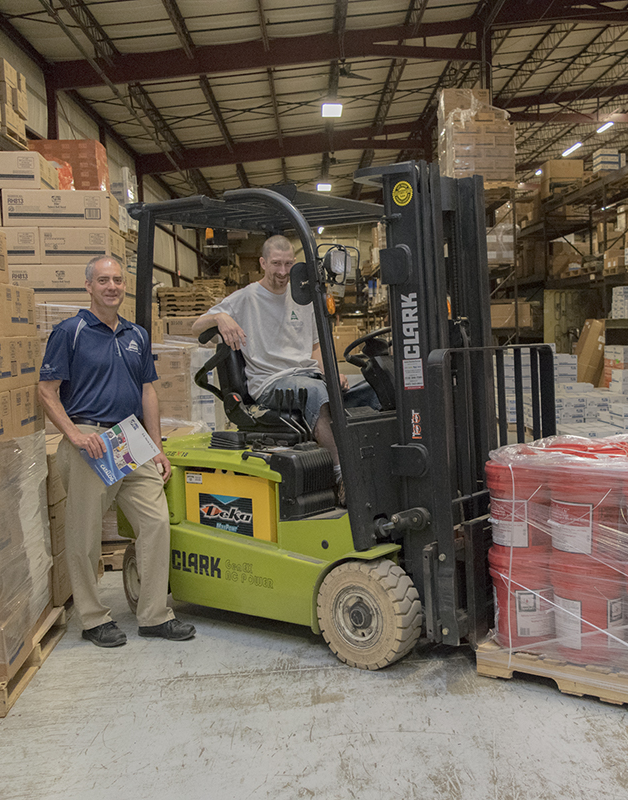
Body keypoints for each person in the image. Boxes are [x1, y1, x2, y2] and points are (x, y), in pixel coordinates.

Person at [39, 255, 196, 648]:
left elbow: (148, 392)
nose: (112, 287)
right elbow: (46, 390)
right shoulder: (70, 332)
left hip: (130, 439)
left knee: (156, 522)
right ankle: (93, 619)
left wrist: (157, 448)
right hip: (90, 442)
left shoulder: (136, 335)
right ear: (88, 286)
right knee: (85, 534)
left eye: (118, 281)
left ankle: (154, 614)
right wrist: (74, 435)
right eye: (104, 280)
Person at [191, 235, 379, 502]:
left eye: (288, 264)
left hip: (307, 375)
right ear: (263, 263)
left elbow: (315, 348)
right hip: (270, 383)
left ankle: (373, 466)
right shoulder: (245, 299)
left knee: (372, 383)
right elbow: (196, 326)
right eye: (276, 264)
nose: (282, 272)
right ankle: (342, 475)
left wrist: (333, 374)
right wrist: (220, 317)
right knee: (315, 392)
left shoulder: (303, 298)